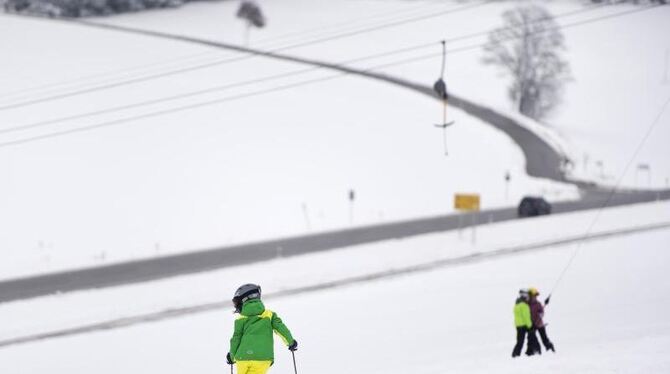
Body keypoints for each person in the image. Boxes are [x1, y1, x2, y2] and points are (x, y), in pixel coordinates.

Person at [227, 284, 298, 374]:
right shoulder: (269, 315)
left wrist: (231, 356)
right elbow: (281, 328)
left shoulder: (241, 319)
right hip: (263, 358)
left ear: (244, 300)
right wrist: (290, 342)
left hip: (243, 358)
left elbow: (236, 339)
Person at [528, 287, 555, 353]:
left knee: (544, 338)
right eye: (534, 296)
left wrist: (540, 314)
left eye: (536, 296)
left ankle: (550, 348)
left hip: (539, 324)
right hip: (531, 325)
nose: (535, 297)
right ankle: (532, 351)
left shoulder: (538, 304)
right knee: (531, 338)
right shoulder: (527, 305)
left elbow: (542, 312)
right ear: (530, 296)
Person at [512, 289, 532, 357]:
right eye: (527, 296)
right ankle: (516, 355)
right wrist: (530, 325)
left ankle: (516, 354)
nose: (528, 298)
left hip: (518, 325)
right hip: (523, 326)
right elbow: (526, 317)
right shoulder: (524, 305)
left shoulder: (517, 304)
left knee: (519, 341)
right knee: (523, 341)